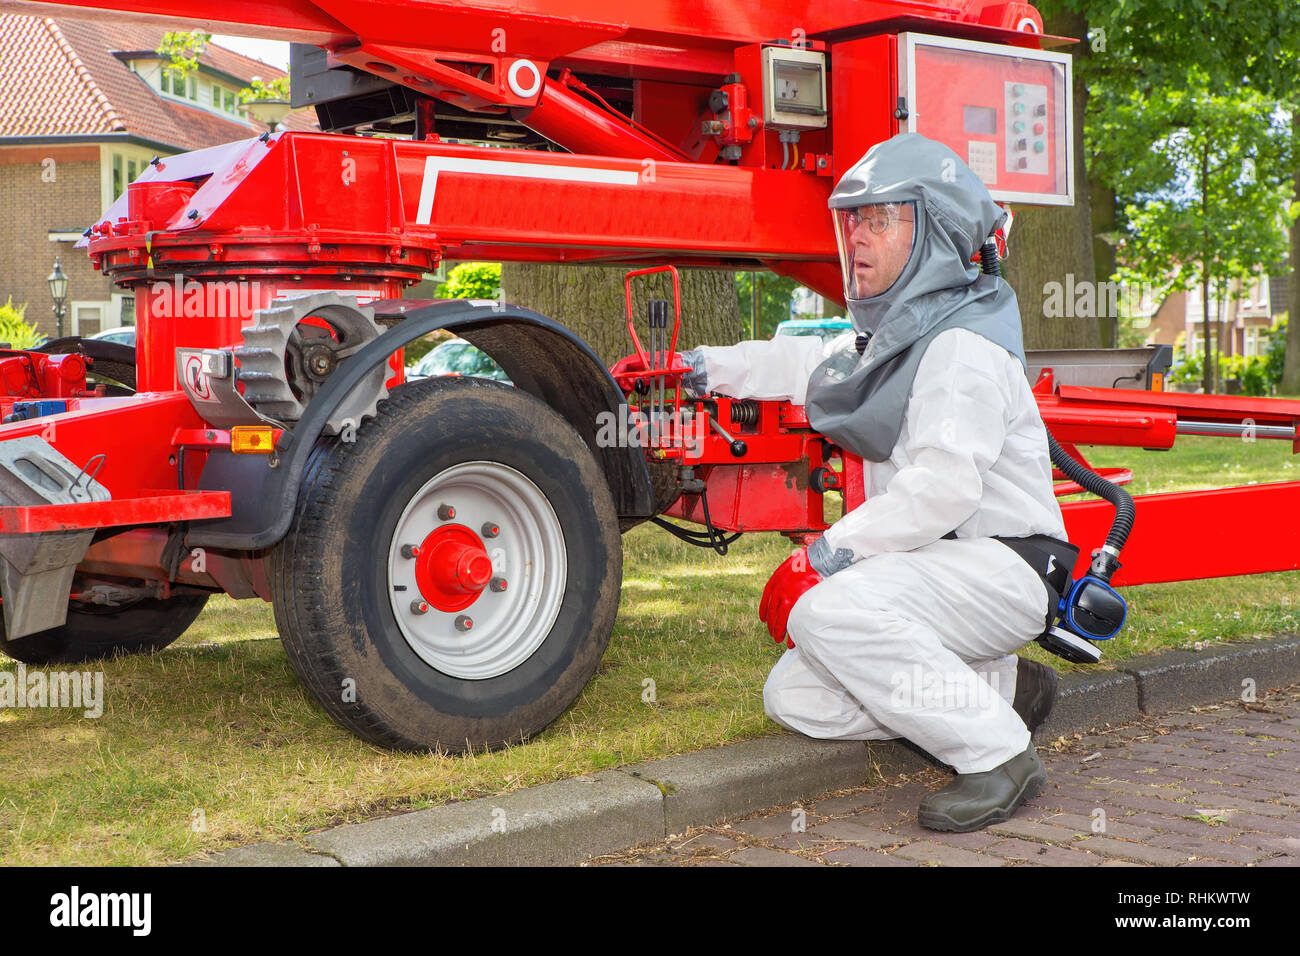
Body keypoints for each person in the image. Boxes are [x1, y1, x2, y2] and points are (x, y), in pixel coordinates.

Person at [615, 132, 1075, 832]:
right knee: (793, 695)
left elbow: (943, 489)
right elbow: (804, 362)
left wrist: (823, 556)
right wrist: (694, 365)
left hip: (1007, 566)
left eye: (880, 220)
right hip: (938, 569)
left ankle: (1000, 758)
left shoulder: (961, 346)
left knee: (827, 610)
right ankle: (999, 690)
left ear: (936, 236)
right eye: (854, 219)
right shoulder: (896, 337)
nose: (857, 236)